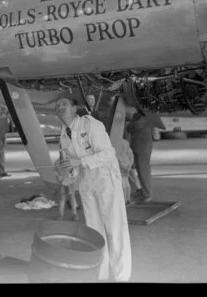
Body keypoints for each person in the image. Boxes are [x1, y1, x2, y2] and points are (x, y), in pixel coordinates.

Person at [55, 94, 131, 282]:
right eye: (57, 105)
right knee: (94, 231)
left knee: (115, 228)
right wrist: (67, 169)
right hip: (87, 184)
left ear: (75, 108)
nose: (60, 107)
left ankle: (122, 276)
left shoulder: (91, 125)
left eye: (64, 103)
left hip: (106, 181)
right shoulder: (64, 133)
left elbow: (108, 153)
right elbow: (72, 167)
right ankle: (101, 274)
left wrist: (79, 161)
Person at [126, 107, 166, 203]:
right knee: (140, 170)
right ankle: (144, 192)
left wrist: (129, 123)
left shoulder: (146, 116)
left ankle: (147, 194)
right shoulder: (143, 115)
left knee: (143, 170)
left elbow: (132, 127)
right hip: (139, 146)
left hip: (142, 147)